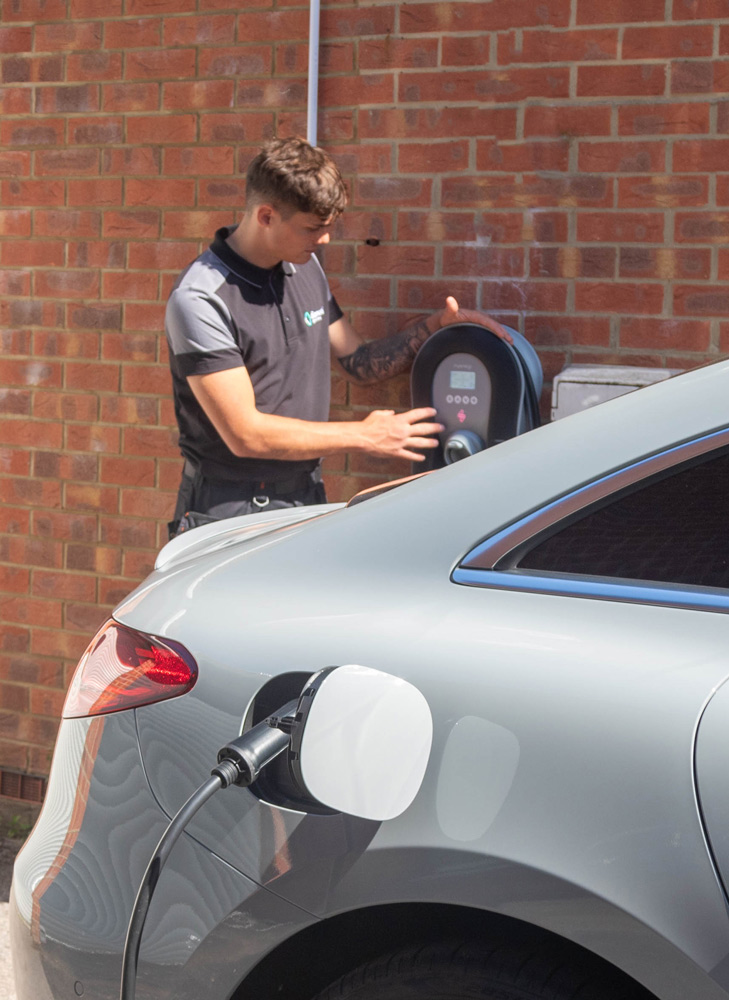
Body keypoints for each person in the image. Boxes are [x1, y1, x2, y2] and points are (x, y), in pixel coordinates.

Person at [165, 136, 511, 536]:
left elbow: (359, 362)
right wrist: (364, 435)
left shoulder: (304, 268)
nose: (325, 240)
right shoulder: (201, 298)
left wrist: (435, 329)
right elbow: (245, 435)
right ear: (265, 216)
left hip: (304, 493)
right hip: (227, 509)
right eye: (313, 228)